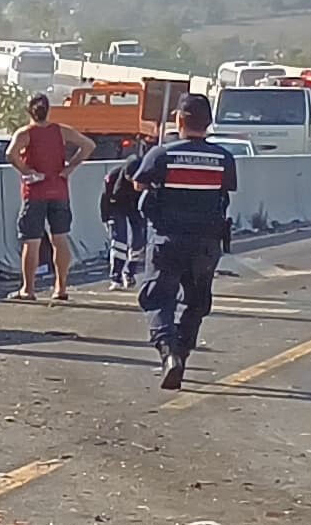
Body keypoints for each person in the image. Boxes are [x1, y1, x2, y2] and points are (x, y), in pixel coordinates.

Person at [130, 96, 243, 390]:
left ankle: (168, 353)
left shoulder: (161, 154)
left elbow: (139, 183)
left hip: (167, 241)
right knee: (197, 302)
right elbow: (225, 190)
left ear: (179, 120)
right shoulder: (223, 158)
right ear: (209, 123)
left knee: (158, 298)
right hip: (206, 244)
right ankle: (182, 350)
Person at [9, 93, 77, 302]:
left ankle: (28, 289)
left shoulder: (26, 133)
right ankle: (61, 287)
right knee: (60, 238)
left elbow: (10, 154)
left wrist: (26, 169)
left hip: (36, 191)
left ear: (29, 111)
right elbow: (88, 145)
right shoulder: (60, 131)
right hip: (59, 189)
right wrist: (70, 167)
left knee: (32, 241)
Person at [98, 151, 149, 291]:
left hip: (136, 208)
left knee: (139, 241)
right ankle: (116, 277)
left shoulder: (145, 178)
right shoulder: (113, 177)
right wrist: (106, 218)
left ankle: (130, 273)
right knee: (119, 241)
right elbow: (105, 198)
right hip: (117, 206)